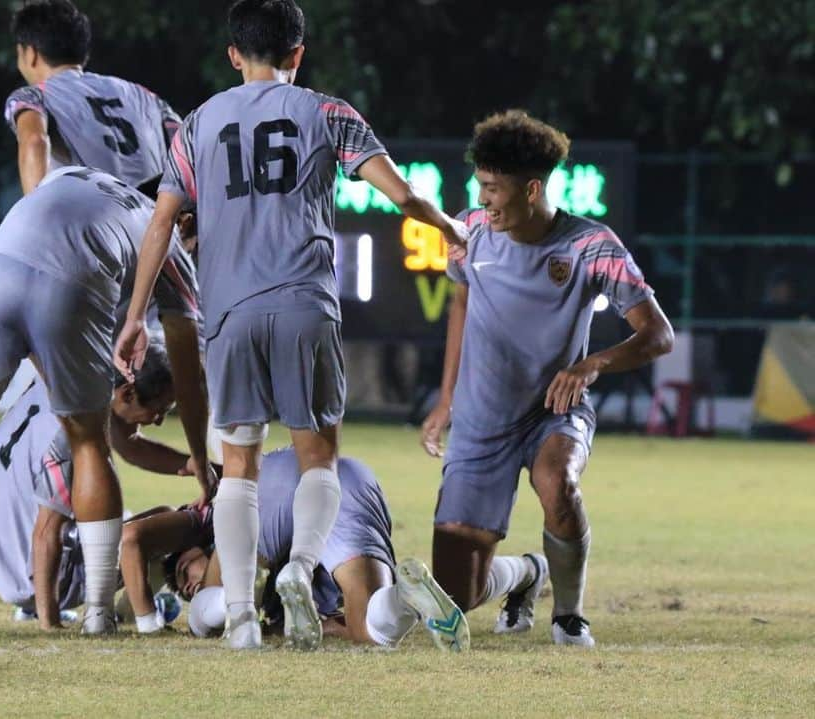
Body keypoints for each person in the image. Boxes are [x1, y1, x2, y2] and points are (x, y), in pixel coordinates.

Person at [113, 0, 466, 651]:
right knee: (317, 456)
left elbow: (162, 221)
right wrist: (447, 227)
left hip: (228, 310)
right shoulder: (327, 111)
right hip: (305, 305)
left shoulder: (195, 124)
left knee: (239, 465)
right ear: (298, 55)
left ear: (232, 55)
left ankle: (243, 616)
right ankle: (300, 567)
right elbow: (402, 195)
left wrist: (135, 317)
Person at [0, 167, 211, 637]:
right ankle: (97, 611)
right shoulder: (168, 238)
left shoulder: (80, 175)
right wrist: (199, 456)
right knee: (89, 444)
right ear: (187, 221)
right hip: (71, 281)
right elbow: (189, 371)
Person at [420, 110, 675, 647]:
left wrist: (592, 363)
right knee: (457, 595)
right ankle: (527, 573)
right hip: (481, 419)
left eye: (493, 188)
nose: (483, 199)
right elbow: (460, 306)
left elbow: (658, 335)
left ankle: (568, 613)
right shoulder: (470, 234)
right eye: (480, 187)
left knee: (559, 483)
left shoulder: (591, 246)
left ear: (531, 189)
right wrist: (446, 399)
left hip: (552, 415)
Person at [120, 447, 468, 652]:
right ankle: (405, 598)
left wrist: (147, 621)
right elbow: (337, 625)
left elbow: (133, 536)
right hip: (342, 477)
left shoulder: (203, 519)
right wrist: (317, 626)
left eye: (186, 573)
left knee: (205, 618)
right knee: (369, 631)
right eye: (185, 590)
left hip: (266, 488)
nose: (190, 584)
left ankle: (243, 589)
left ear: (195, 547)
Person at [0, 345, 199, 632]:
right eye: (158, 410)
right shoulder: (74, 434)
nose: (160, 421)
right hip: (33, 578)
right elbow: (46, 533)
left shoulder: (65, 378)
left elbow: (130, 446)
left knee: (104, 516)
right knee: (162, 524)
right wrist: (50, 622)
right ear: (126, 394)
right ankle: (131, 613)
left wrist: (192, 465)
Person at [7, 0, 181, 197]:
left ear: (31, 53)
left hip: (95, 221)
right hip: (153, 219)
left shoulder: (32, 96)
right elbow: (188, 149)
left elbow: (34, 140)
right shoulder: (146, 96)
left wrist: (34, 218)